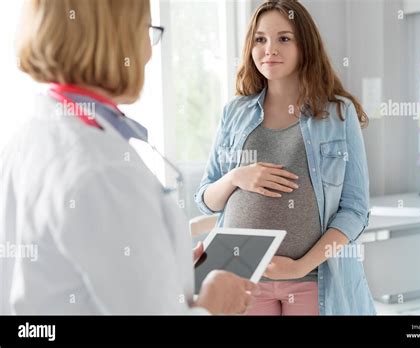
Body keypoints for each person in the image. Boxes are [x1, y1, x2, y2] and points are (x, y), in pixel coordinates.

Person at [0, 0, 258, 315]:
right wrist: (215, 303)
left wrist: (167, 271)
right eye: (146, 31)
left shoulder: (30, 133)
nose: (149, 54)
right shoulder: (103, 170)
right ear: (115, 37)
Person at [195, 0, 376, 315]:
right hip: (241, 277)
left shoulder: (338, 114)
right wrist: (236, 177)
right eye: (260, 39)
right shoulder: (234, 112)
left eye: (284, 38)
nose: (270, 49)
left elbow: (355, 212)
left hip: (312, 280)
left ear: (304, 46)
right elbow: (207, 198)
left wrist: (299, 266)